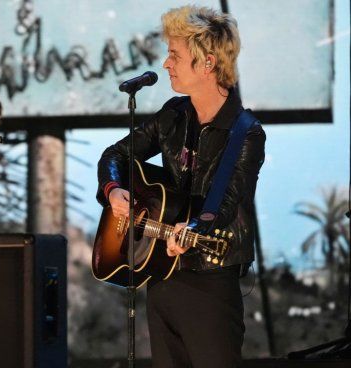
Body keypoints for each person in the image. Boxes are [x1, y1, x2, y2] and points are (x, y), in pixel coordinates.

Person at [97, 5, 265, 367]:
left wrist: (192, 227)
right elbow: (115, 154)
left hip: (210, 277)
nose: (166, 64)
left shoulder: (245, 132)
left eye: (174, 55)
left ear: (206, 63)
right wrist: (113, 191)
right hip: (161, 273)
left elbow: (224, 200)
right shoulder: (173, 115)